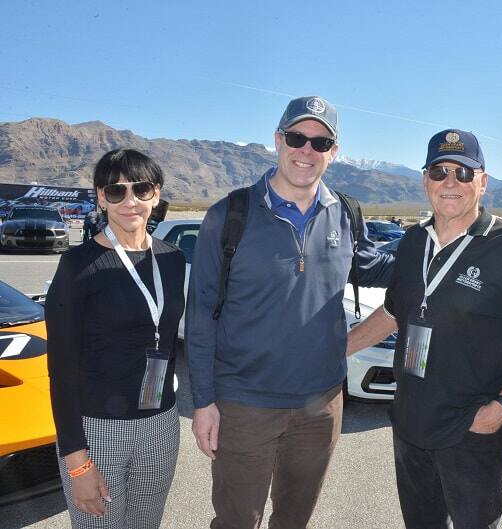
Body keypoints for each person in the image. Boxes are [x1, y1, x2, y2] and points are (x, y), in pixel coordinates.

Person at [186, 96, 394, 529]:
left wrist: (448, 241)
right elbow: (202, 314)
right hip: (244, 404)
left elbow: (378, 268)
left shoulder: (346, 215)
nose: (306, 150)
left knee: (294, 520)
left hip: (320, 405)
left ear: (333, 153)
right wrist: (204, 402)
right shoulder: (230, 215)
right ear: (278, 140)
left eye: (320, 143)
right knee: (236, 521)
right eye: (297, 138)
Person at [347, 129, 502, 529]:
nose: (450, 182)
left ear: (483, 182)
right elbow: (393, 313)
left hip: (471, 430)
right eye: (440, 171)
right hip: (410, 424)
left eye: (463, 172)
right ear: (425, 179)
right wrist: (336, 350)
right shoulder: (412, 242)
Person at [46, 149, 186, 528]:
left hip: (161, 423)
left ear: (156, 194)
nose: (130, 202)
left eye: (140, 190)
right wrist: (76, 460)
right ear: (100, 196)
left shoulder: (172, 259)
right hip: (97, 429)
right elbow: (59, 369)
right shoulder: (78, 265)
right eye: (116, 191)